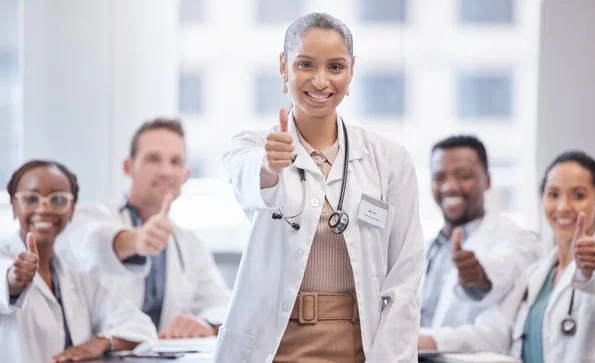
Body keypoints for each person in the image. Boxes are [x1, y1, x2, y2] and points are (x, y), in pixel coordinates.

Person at [214, 12, 425, 363]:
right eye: (306, 64)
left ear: (352, 70)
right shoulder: (253, 146)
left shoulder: (389, 160)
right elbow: (250, 181)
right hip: (275, 343)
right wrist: (270, 167)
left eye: (336, 67)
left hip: (357, 344)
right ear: (284, 68)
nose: (321, 80)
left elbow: (406, 276)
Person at [55, 118, 230, 338]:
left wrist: (205, 324)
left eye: (176, 161)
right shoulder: (90, 216)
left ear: (185, 175)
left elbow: (220, 303)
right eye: (153, 159)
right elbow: (88, 241)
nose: (166, 171)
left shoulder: (190, 244)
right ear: (128, 167)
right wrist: (134, 241)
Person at [419, 151, 595, 363]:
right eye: (553, 194)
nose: (563, 207)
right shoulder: (535, 276)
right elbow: (494, 331)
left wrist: (589, 271)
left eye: (578, 195)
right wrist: (425, 340)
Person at [0, 160, 156, 363]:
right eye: (31, 199)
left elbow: (140, 326)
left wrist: (101, 342)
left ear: (72, 210)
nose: (44, 208)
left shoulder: (75, 278)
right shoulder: (5, 259)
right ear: (14, 207)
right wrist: (14, 279)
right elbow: (5, 280)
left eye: (57, 200)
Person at [421, 135, 541, 328]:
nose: (449, 187)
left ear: (486, 180)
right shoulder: (428, 247)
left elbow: (500, 269)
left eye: (463, 176)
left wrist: (478, 276)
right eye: (439, 177)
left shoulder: (517, 240)